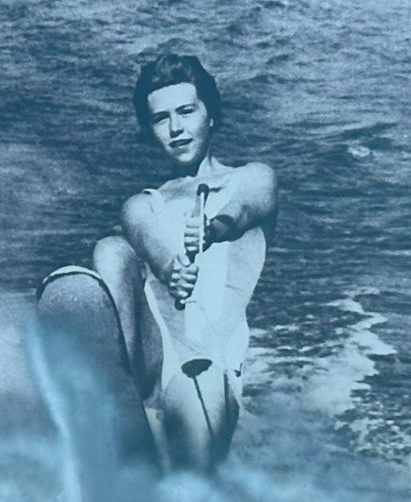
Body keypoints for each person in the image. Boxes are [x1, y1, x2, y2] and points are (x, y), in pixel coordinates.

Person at [86, 54, 276, 470]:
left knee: (200, 385)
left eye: (186, 112)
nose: (175, 129)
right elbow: (145, 237)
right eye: (161, 119)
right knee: (110, 251)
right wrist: (170, 265)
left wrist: (213, 229)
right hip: (152, 358)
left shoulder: (252, 177)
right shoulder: (143, 204)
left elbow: (246, 209)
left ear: (211, 115)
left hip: (212, 366)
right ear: (150, 130)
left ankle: (183, 490)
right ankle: (117, 408)